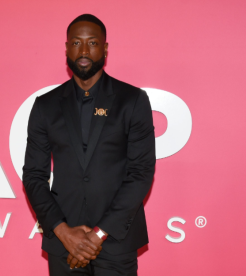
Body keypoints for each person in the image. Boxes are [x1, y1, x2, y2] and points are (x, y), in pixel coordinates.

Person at [23, 14, 155, 276]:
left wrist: (99, 234)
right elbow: (34, 176)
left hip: (117, 240)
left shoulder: (133, 100)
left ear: (105, 48)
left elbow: (140, 173)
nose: (83, 51)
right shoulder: (45, 105)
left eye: (92, 43)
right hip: (64, 242)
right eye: (76, 43)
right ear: (66, 48)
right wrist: (63, 231)